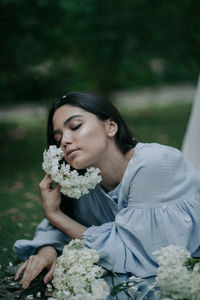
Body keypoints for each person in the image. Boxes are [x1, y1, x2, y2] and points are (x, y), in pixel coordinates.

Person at [14, 92, 200, 299]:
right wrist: (47, 250)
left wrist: (55, 215)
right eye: (58, 138)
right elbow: (62, 227)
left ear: (111, 126)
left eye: (75, 126)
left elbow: (141, 255)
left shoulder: (154, 163)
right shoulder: (84, 182)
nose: (65, 141)